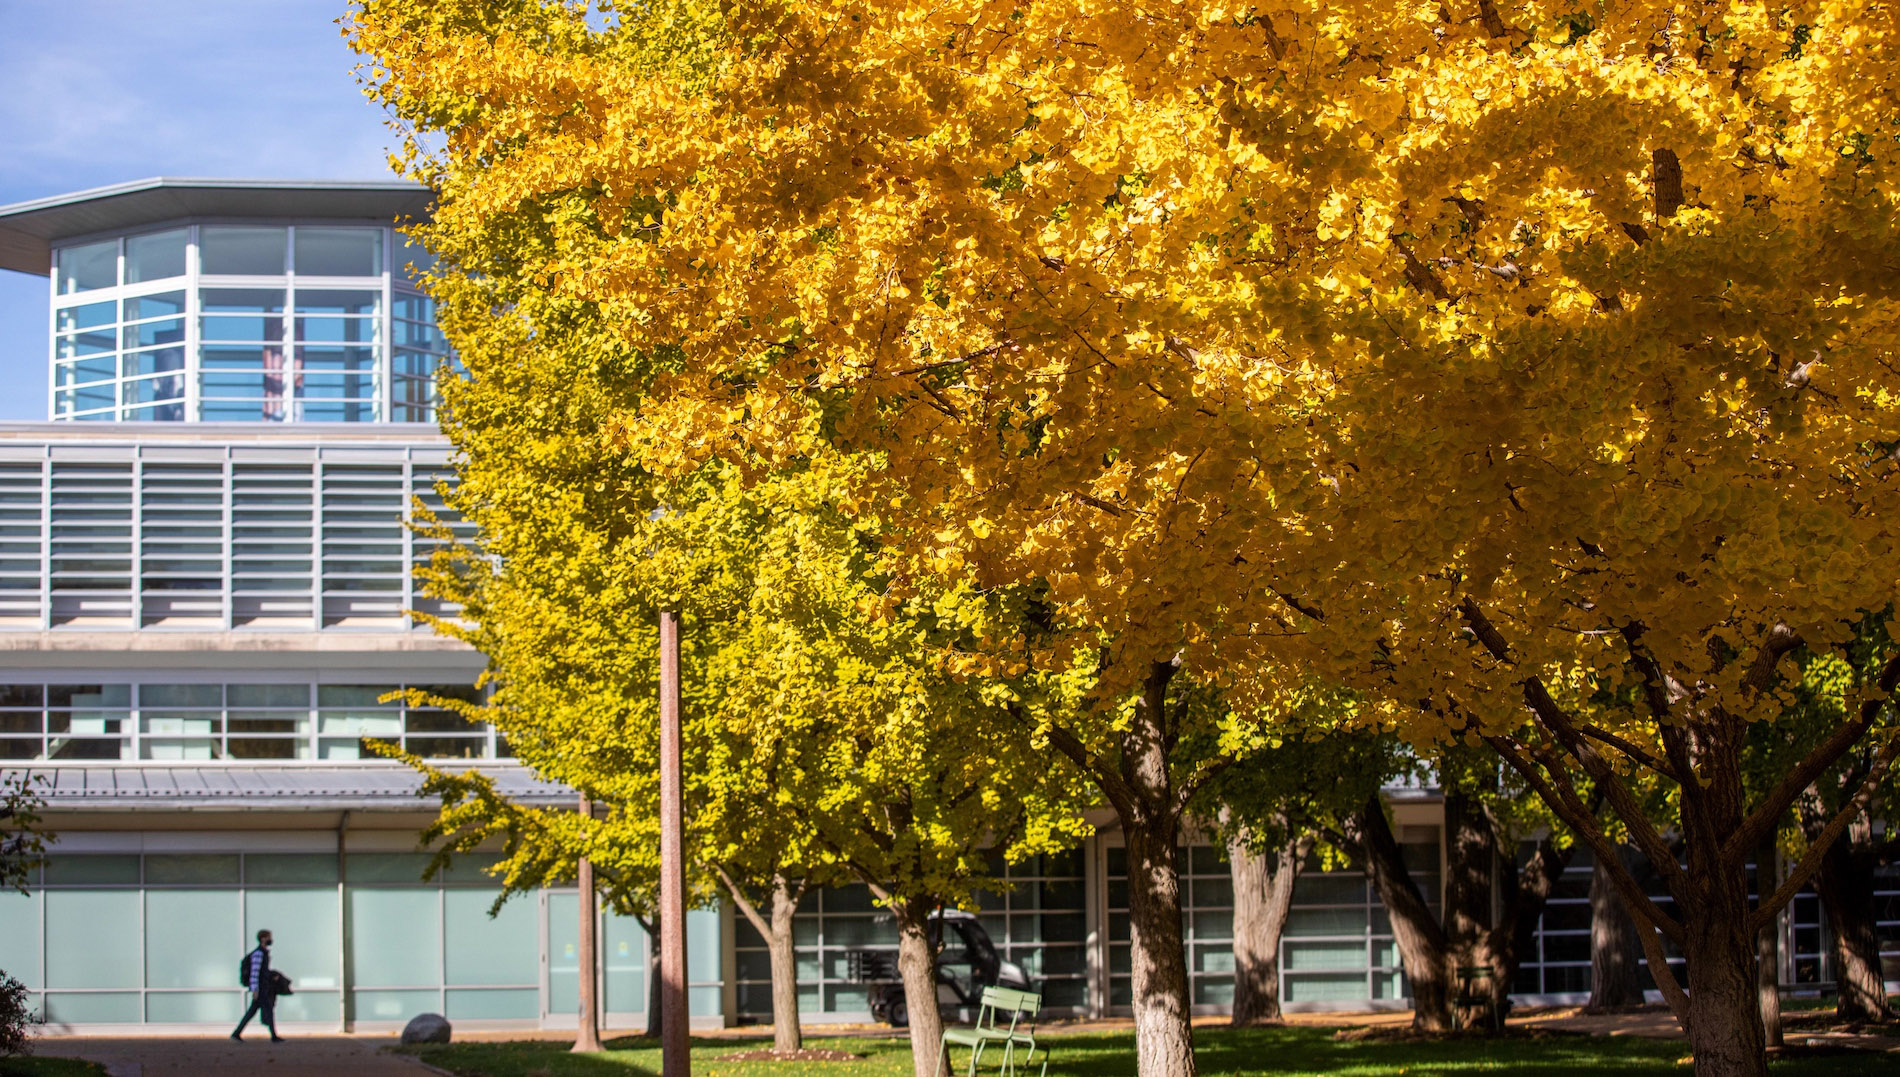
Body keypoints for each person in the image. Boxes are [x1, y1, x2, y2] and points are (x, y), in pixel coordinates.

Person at [231, 929, 284, 1043]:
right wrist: (255, 989)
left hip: (262, 987)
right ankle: (274, 1036)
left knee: (252, 1012)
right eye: (269, 937)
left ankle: (236, 1033)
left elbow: (262, 971)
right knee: (268, 1010)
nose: (271, 939)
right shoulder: (259, 953)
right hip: (260, 989)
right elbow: (255, 973)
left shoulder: (263, 953)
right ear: (263, 939)